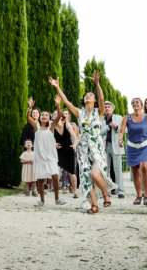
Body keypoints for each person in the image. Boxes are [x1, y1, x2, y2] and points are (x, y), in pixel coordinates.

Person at [50, 72, 117, 213]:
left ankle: (105, 194)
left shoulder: (99, 112)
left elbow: (103, 98)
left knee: (94, 174)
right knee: (86, 176)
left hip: (97, 147)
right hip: (83, 148)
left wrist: (97, 84)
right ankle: (94, 205)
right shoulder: (79, 113)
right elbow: (66, 101)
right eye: (86, 95)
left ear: (94, 100)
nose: (87, 95)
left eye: (91, 95)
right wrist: (57, 87)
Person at [118, 98, 147, 206]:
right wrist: (120, 140)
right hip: (132, 148)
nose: (135, 104)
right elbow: (121, 131)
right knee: (135, 173)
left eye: (137, 102)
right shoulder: (126, 118)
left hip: (145, 146)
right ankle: (138, 195)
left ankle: (146, 196)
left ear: (141, 105)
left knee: (145, 167)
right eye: (133, 103)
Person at [26, 96, 66, 207]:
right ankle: (42, 201)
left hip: (51, 156)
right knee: (40, 178)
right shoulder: (36, 126)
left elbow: (58, 116)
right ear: (40, 118)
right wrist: (29, 108)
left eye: (46, 115)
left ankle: (57, 198)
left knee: (55, 174)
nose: (44, 116)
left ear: (49, 118)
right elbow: (28, 118)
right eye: (42, 115)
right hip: (40, 157)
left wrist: (58, 104)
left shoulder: (52, 127)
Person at [101, 101, 125, 198]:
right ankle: (108, 191)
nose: (107, 108)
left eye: (109, 106)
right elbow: (97, 132)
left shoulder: (119, 118)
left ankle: (120, 191)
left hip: (116, 146)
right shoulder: (100, 119)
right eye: (105, 107)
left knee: (118, 169)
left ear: (112, 108)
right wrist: (107, 127)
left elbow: (125, 130)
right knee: (105, 170)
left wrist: (117, 127)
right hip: (104, 146)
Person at [55, 110, 78, 196]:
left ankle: (75, 190)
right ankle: (56, 189)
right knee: (56, 171)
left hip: (68, 150)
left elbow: (74, 136)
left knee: (71, 173)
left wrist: (75, 144)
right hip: (58, 151)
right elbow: (49, 137)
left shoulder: (67, 124)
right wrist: (54, 144)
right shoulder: (53, 126)